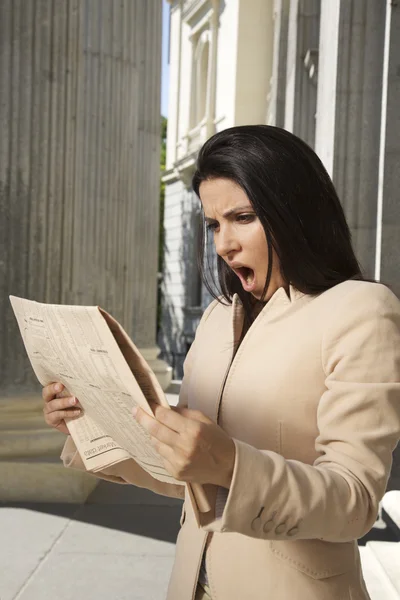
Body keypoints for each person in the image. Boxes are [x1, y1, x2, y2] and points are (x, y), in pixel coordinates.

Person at [42, 125, 400, 600]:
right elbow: (185, 475)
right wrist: (90, 425)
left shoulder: (361, 310)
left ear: (295, 210)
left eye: (243, 217)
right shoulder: (217, 317)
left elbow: (354, 501)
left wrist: (231, 464)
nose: (223, 244)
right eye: (213, 224)